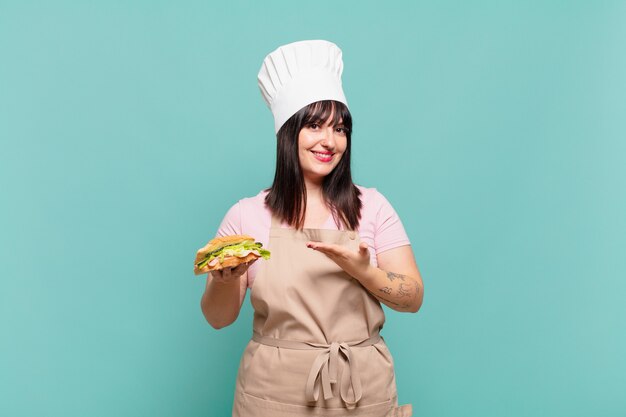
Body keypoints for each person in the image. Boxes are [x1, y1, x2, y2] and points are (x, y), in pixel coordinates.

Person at [198, 40, 423, 417]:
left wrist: (363, 271)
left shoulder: (373, 207)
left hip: (360, 393)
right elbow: (218, 319)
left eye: (339, 129)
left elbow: (412, 297)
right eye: (315, 126)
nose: (329, 141)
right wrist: (224, 279)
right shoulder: (246, 216)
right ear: (289, 133)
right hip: (271, 397)